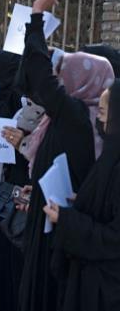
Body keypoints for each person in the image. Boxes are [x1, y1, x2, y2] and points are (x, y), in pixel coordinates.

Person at [15, 0, 114, 311]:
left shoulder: (76, 117)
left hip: (57, 233)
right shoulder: (87, 121)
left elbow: (39, 73)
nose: (60, 79)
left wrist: (36, 16)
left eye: (66, 74)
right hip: (56, 218)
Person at [44, 80, 120, 311]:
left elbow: (115, 239)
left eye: (105, 113)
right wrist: (84, 201)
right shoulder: (111, 158)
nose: (100, 120)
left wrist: (66, 221)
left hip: (105, 289)